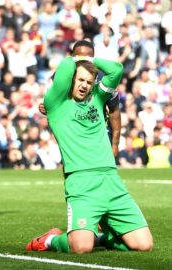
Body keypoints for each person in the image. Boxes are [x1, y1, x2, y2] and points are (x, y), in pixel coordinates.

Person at [26, 55, 153, 253]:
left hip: (111, 181)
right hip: (81, 184)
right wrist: (78, 59)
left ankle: (102, 237)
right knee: (81, 248)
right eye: (80, 80)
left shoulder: (97, 98)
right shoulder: (55, 104)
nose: (84, 85)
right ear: (70, 80)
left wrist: (89, 58)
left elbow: (116, 69)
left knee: (144, 245)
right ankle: (51, 240)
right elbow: (67, 65)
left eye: (89, 81)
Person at [39, 40, 121, 157]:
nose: (85, 62)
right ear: (73, 58)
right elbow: (53, 103)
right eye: (80, 58)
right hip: (71, 135)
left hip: (97, 135)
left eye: (89, 58)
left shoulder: (104, 79)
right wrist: (46, 107)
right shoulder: (62, 76)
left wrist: (115, 144)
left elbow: (114, 111)